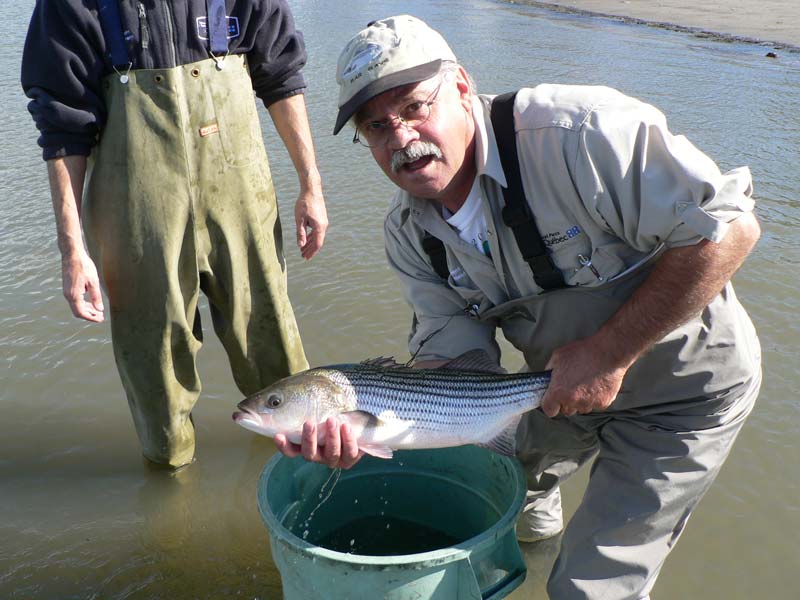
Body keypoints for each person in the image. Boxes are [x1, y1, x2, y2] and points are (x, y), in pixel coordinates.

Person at [277, 14, 763, 600]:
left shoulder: (580, 134)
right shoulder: (409, 235)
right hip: (554, 391)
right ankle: (532, 562)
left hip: (682, 397)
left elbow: (730, 231)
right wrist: (376, 431)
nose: (401, 138)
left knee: (590, 588)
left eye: (413, 107)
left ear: (460, 86)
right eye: (377, 127)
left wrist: (609, 354)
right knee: (500, 490)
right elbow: (454, 364)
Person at [21, 0, 328, 470]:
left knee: (278, 355)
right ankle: (172, 505)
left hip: (242, 193)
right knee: (156, 376)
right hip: (136, 210)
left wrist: (311, 184)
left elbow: (281, 74)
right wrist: (73, 247)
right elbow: (61, 125)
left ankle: (305, 479)